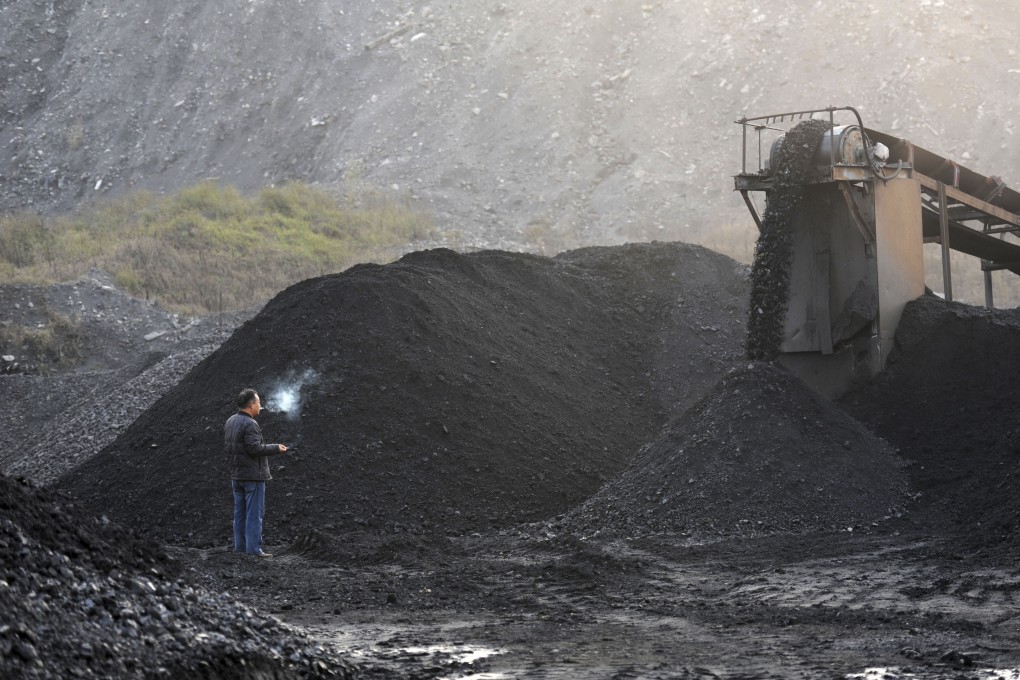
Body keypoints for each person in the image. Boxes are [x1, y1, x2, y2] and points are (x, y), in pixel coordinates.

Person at [224, 388, 288, 557]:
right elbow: (254, 448)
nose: (261, 405)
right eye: (259, 402)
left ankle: (241, 548)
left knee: (240, 514)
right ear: (251, 404)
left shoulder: (231, 421)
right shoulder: (250, 423)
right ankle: (253, 550)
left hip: (237, 476)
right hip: (252, 477)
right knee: (254, 514)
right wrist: (276, 448)